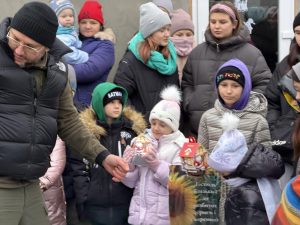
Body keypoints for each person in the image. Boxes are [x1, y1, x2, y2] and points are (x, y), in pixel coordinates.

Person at [0, 2, 127, 225]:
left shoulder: (58, 73)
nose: (18, 50)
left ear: (47, 48)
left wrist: (102, 155)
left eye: (29, 46)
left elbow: (68, 121)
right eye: (14, 38)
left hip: (31, 186)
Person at [197, 59, 273, 225]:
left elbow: (264, 163)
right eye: (224, 85)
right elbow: (201, 154)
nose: (229, 91)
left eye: (235, 85)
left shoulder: (257, 121)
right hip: (212, 195)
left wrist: (237, 172)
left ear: (245, 87)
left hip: (244, 198)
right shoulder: (208, 117)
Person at [182, 1, 271, 138]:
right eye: (213, 22)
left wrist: (244, 106)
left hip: (238, 132)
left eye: (222, 22)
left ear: (234, 24)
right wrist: (191, 102)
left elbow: (264, 86)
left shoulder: (252, 54)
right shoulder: (197, 52)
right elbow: (187, 83)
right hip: (200, 131)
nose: (216, 26)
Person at [74, 82, 146, 225]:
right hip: (93, 207)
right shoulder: (85, 134)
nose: (117, 105)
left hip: (126, 205)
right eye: (111, 102)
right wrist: (84, 198)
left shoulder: (132, 133)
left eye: (119, 102)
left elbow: (140, 169)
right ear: (100, 103)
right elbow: (77, 167)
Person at [121, 85, 186, 225]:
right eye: (153, 123)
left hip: (164, 219)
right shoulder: (141, 140)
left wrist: (157, 165)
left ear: (173, 126)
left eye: (162, 125)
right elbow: (131, 183)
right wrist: (128, 165)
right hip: (139, 216)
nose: (156, 128)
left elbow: (180, 185)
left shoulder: (181, 146)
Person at [208, 113, 284, 225]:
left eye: (220, 170)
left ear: (232, 168)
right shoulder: (258, 182)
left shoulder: (243, 194)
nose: (219, 174)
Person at [114, 2, 179, 123]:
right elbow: (121, 96)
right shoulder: (130, 61)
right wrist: (138, 123)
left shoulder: (170, 57)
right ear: (150, 33)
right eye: (162, 30)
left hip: (169, 129)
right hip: (143, 133)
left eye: (168, 29)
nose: (167, 34)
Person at [265, 12, 300, 169]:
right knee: (289, 192)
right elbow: (271, 101)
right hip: (288, 145)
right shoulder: (285, 65)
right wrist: (276, 126)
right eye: (298, 32)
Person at [73, 0, 115, 107]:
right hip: (67, 103)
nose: (87, 26)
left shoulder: (105, 45)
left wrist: (61, 68)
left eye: (93, 22)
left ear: (100, 25)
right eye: (83, 22)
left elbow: (88, 71)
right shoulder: (73, 41)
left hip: (86, 106)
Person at [49, 0, 88, 64]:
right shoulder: (60, 36)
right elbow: (66, 54)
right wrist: (85, 56)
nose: (68, 19)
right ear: (54, 18)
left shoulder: (68, 30)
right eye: (64, 16)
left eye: (71, 16)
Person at [40, 137, 67, 225]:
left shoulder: (51, 130)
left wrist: (43, 183)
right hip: (16, 189)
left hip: (48, 190)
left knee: (53, 219)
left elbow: (58, 162)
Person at [170, 8, 196, 85]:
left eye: (188, 34)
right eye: (179, 35)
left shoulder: (198, 54)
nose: (184, 39)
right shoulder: (166, 54)